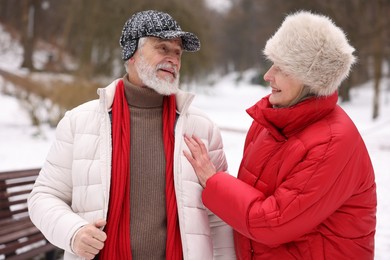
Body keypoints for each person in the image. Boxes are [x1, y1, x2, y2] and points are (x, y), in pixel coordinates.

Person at [28, 10, 236, 260]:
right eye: (162, 48)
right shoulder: (80, 121)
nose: (173, 59)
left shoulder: (202, 129)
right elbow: (44, 196)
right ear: (132, 54)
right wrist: (73, 233)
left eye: (178, 52)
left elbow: (220, 216)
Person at [184, 10, 376, 259]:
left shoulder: (333, 143)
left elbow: (272, 222)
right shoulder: (269, 122)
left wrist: (213, 181)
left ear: (311, 79)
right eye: (272, 64)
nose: (268, 76)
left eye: (282, 68)